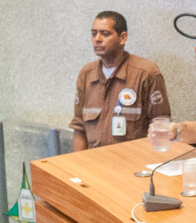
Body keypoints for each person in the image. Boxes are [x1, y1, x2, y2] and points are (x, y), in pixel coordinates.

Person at [70, 11, 170, 151]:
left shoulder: (146, 73)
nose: (97, 39)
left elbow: (160, 124)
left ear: (122, 38)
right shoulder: (86, 75)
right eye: (94, 33)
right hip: (94, 160)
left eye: (105, 34)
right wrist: (79, 162)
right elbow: (79, 127)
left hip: (133, 160)